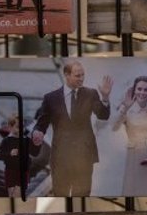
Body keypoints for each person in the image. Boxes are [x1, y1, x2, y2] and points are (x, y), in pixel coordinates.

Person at [32, 60, 113, 196]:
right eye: (77, 75)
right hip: (60, 158)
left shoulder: (91, 94)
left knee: (82, 197)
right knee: (60, 195)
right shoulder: (50, 98)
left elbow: (103, 115)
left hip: (84, 157)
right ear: (66, 75)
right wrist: (37, 132)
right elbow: (42, 122)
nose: (81, 79)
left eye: (83, 75)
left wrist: (105, 98)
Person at [112, 76, 147, 195]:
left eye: (146, 90)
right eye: (139, 89)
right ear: (134, 90)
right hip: (134, 155)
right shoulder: (127, 108)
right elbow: (114, 127)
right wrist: (125, 108)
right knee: (135, 189)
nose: (142, 92)